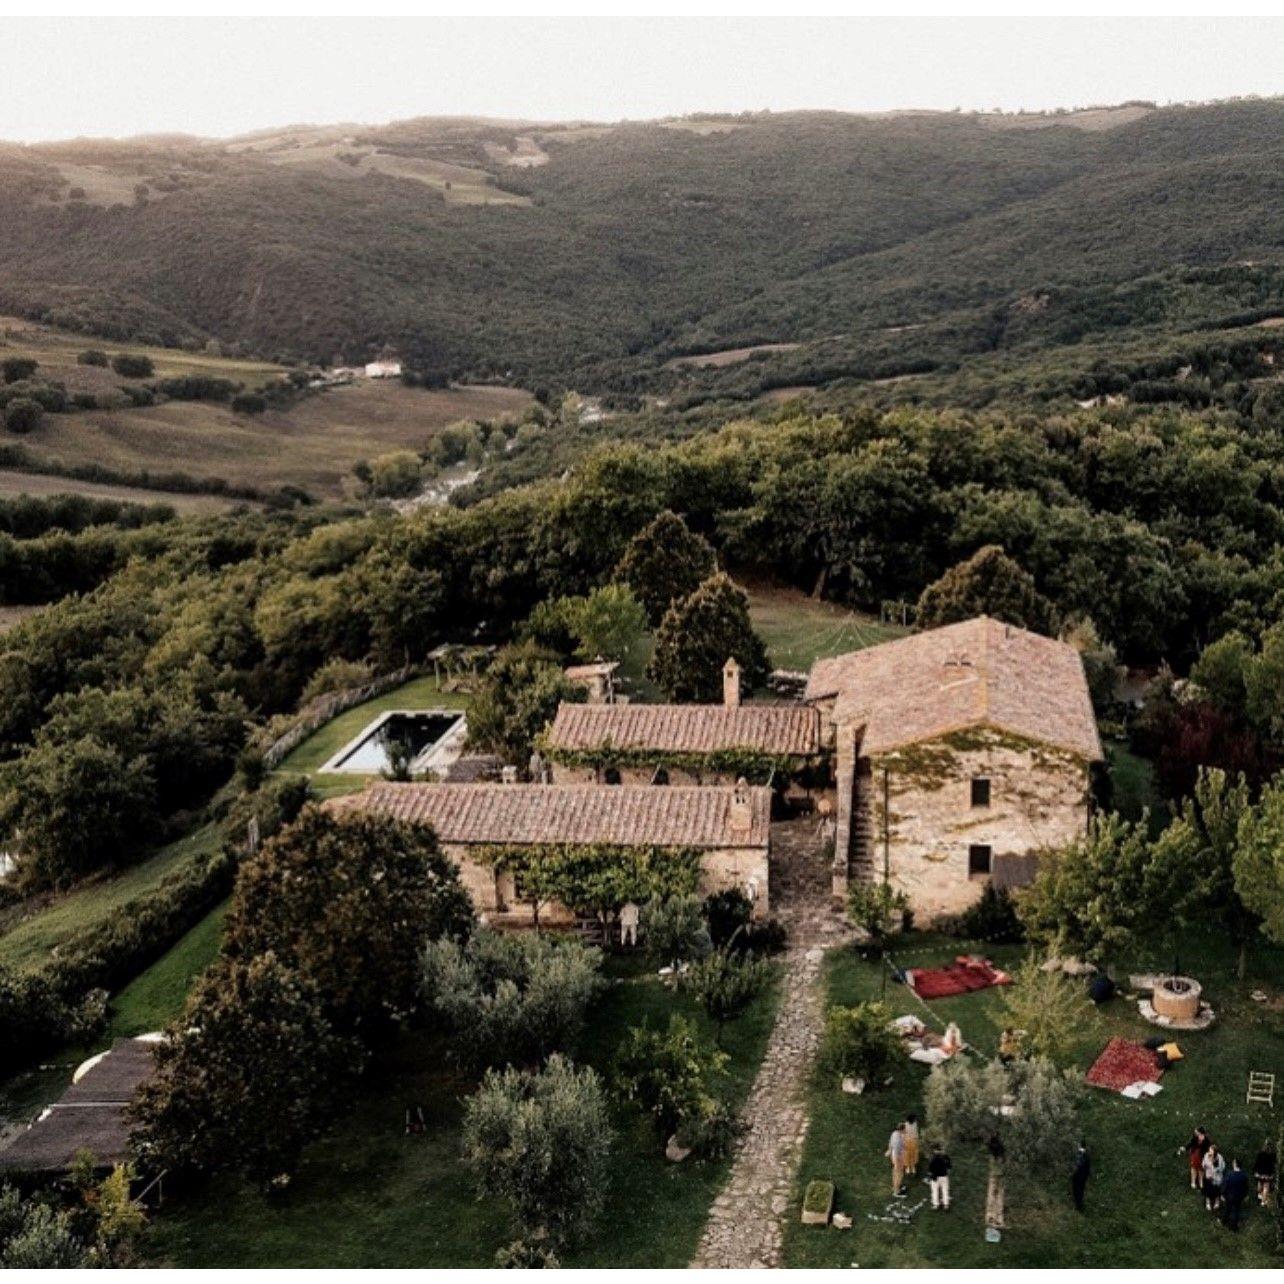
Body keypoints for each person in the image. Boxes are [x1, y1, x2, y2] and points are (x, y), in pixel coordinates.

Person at [1221, 1159, 1249, 1231]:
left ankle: (1224, 1222)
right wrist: (1245, 1195)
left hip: (1230, 1196)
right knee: (1236, 1210)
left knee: (1228, 1209)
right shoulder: (1244, 1175)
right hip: (1239, 1196)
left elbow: (1225, 1186)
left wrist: (1223, 1194)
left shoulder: (1229, 1175)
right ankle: (1234, 1226)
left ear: (1235, 1164)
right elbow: (1246, 1187)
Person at [885, 1123, 907, 1197]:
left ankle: (895, 1187)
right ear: (902, 1129)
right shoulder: (898, 1140)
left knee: (895, 1172)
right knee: (899, 1174)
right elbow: (898, 1151)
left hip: (895, 1155)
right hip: (898, 1157)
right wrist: (898, 1162)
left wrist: (889, 1150)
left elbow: (890, 1143)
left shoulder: (894, 1133)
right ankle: (897, 1191)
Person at [928, 1145, 952, 1210]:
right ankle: (946, 1204)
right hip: (944, 1176)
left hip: (935, 1177)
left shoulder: (933, 1159)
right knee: (945, 1190)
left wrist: (931, 1175)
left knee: (935, 1191)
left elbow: (930, 1169)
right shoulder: (945, 1157)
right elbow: (949, 1167)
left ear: (935, 1150)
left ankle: (936, 1204)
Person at [1253, 1139, 1276, 1207]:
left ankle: (1261, 1199)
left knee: (1260, 1186)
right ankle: (1263, 1202)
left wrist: (1255, 1171)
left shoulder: (1261, 1154)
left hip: (1260, 1173)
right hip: (1268, 1173)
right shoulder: (1272, 1154)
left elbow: (1257, 1163)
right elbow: (1274, 1165)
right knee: (1266, 1187)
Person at [1203, 1143, 1226, 1212]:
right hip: (1208, 1177)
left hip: (1217, 1178)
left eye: (1211, 1151)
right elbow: (1203, 1163)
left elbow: (1222, 1168)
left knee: (1217, 1191)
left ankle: (1217, 1203)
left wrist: (1214, 1166)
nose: (1209, 1151)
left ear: (1215, 1152)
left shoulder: (1219, 1158)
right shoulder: (1206, 1155)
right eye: (1209, 1150)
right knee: (1207, 1191)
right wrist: (1205, 1166)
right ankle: (1208, 1203)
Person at [1071, 1141, 1091, 1212]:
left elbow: (1077, 1164)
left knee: (1076, 1190)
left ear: (1079, 1145)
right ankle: (1080, 1205)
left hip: (1077, 1175)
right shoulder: (1087, 1155)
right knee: (1081, 1190)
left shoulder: (1079, 1153)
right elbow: (1088, 1168)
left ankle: (1078, 1205)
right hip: (1083, 1176)